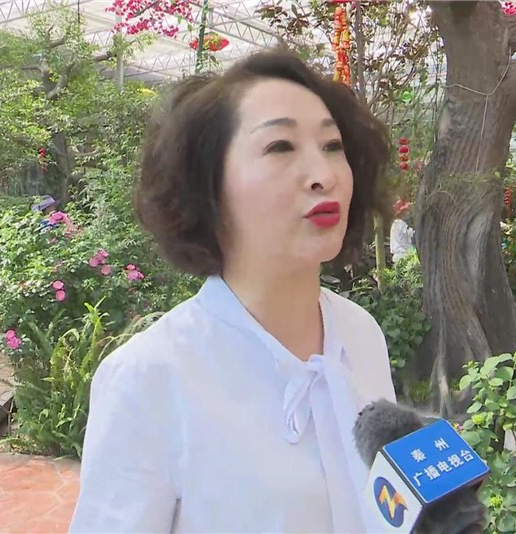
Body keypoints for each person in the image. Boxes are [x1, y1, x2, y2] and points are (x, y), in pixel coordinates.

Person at [69, 48, 397, 533]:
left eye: (332, 145)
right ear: (208, 187)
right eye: (280, 147)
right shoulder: (149, 378)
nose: (324, 175)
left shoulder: (361, 334)